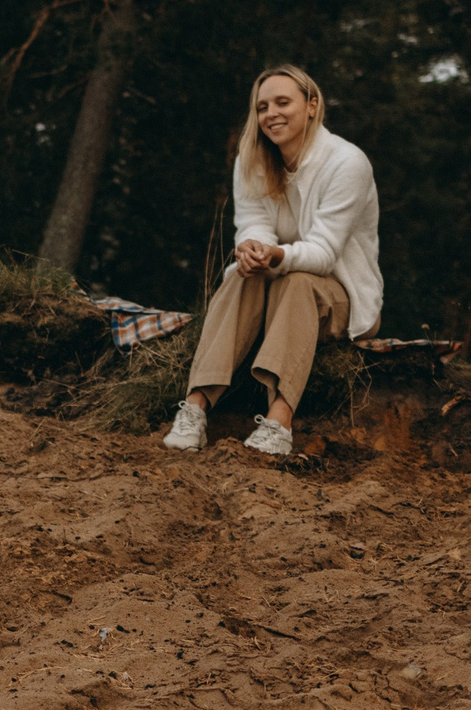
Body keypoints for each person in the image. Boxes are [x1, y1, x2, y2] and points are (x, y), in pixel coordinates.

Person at [163, 65, 381, 458]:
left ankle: (279, 421)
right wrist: (252, 251)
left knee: (296, 282)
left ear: (312, 106)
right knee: (238, 276)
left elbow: (324, 252)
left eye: (283, 102)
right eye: (262, 107)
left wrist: (276, 255)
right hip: (274, 288)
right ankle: (194, 409)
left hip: (342, 296)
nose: (271, 114)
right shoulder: (252, 159)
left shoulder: (347, 162)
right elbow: (253, 225)